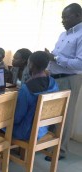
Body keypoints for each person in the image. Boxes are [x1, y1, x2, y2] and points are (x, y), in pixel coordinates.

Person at [44, 3, 82, 161]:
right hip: (55, 78)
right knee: (52, 113)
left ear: (78, 16)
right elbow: (57, 55)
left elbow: (79, 63)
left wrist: (56, 58)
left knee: (64, 115)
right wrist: (50, 59)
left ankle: (60, 150)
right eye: (62, 17)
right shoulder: (63, 34)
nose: (63, 20)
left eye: (66, 17)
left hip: (69, 79)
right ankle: (48, 144)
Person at [12, 51, 59, 140]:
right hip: (44, 128)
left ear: (31, 65)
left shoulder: (26, 89)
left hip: (26, 132)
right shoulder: (53, 82)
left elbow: (17, 118)